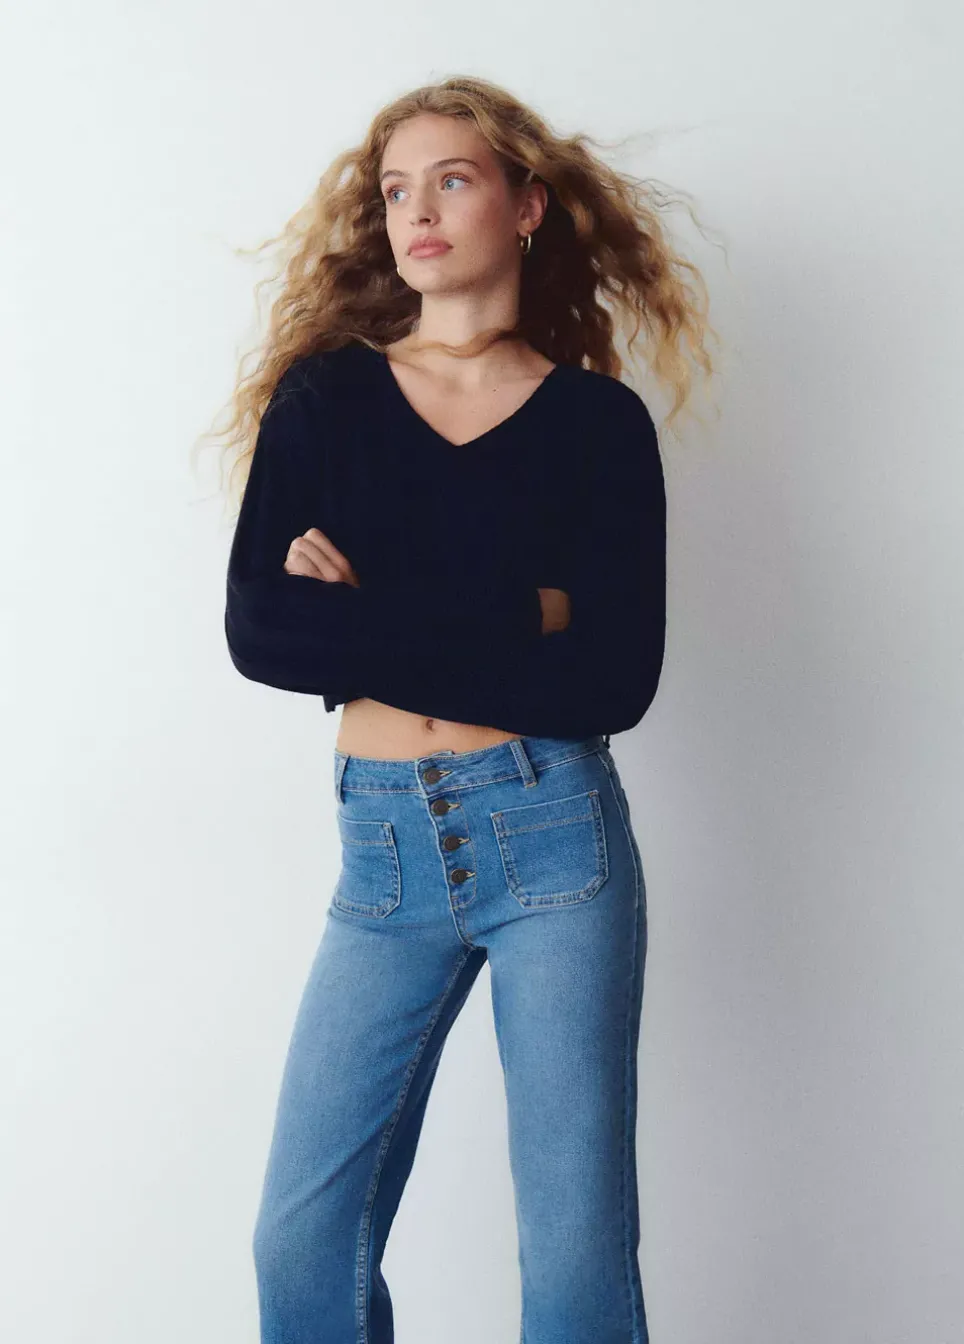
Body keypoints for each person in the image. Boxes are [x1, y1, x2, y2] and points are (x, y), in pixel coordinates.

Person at [209, 74, 716, 1344]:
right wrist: (523, 611)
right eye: (396, 190)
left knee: (573, 1250)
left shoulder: (596, 424)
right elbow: (263, 634)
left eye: (452, 179)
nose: (417, 211)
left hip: (554, 840)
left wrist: (367, 615)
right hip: (382, 852)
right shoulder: (325, 398)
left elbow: (613, 678)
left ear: (526, 205)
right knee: (301, 1238)